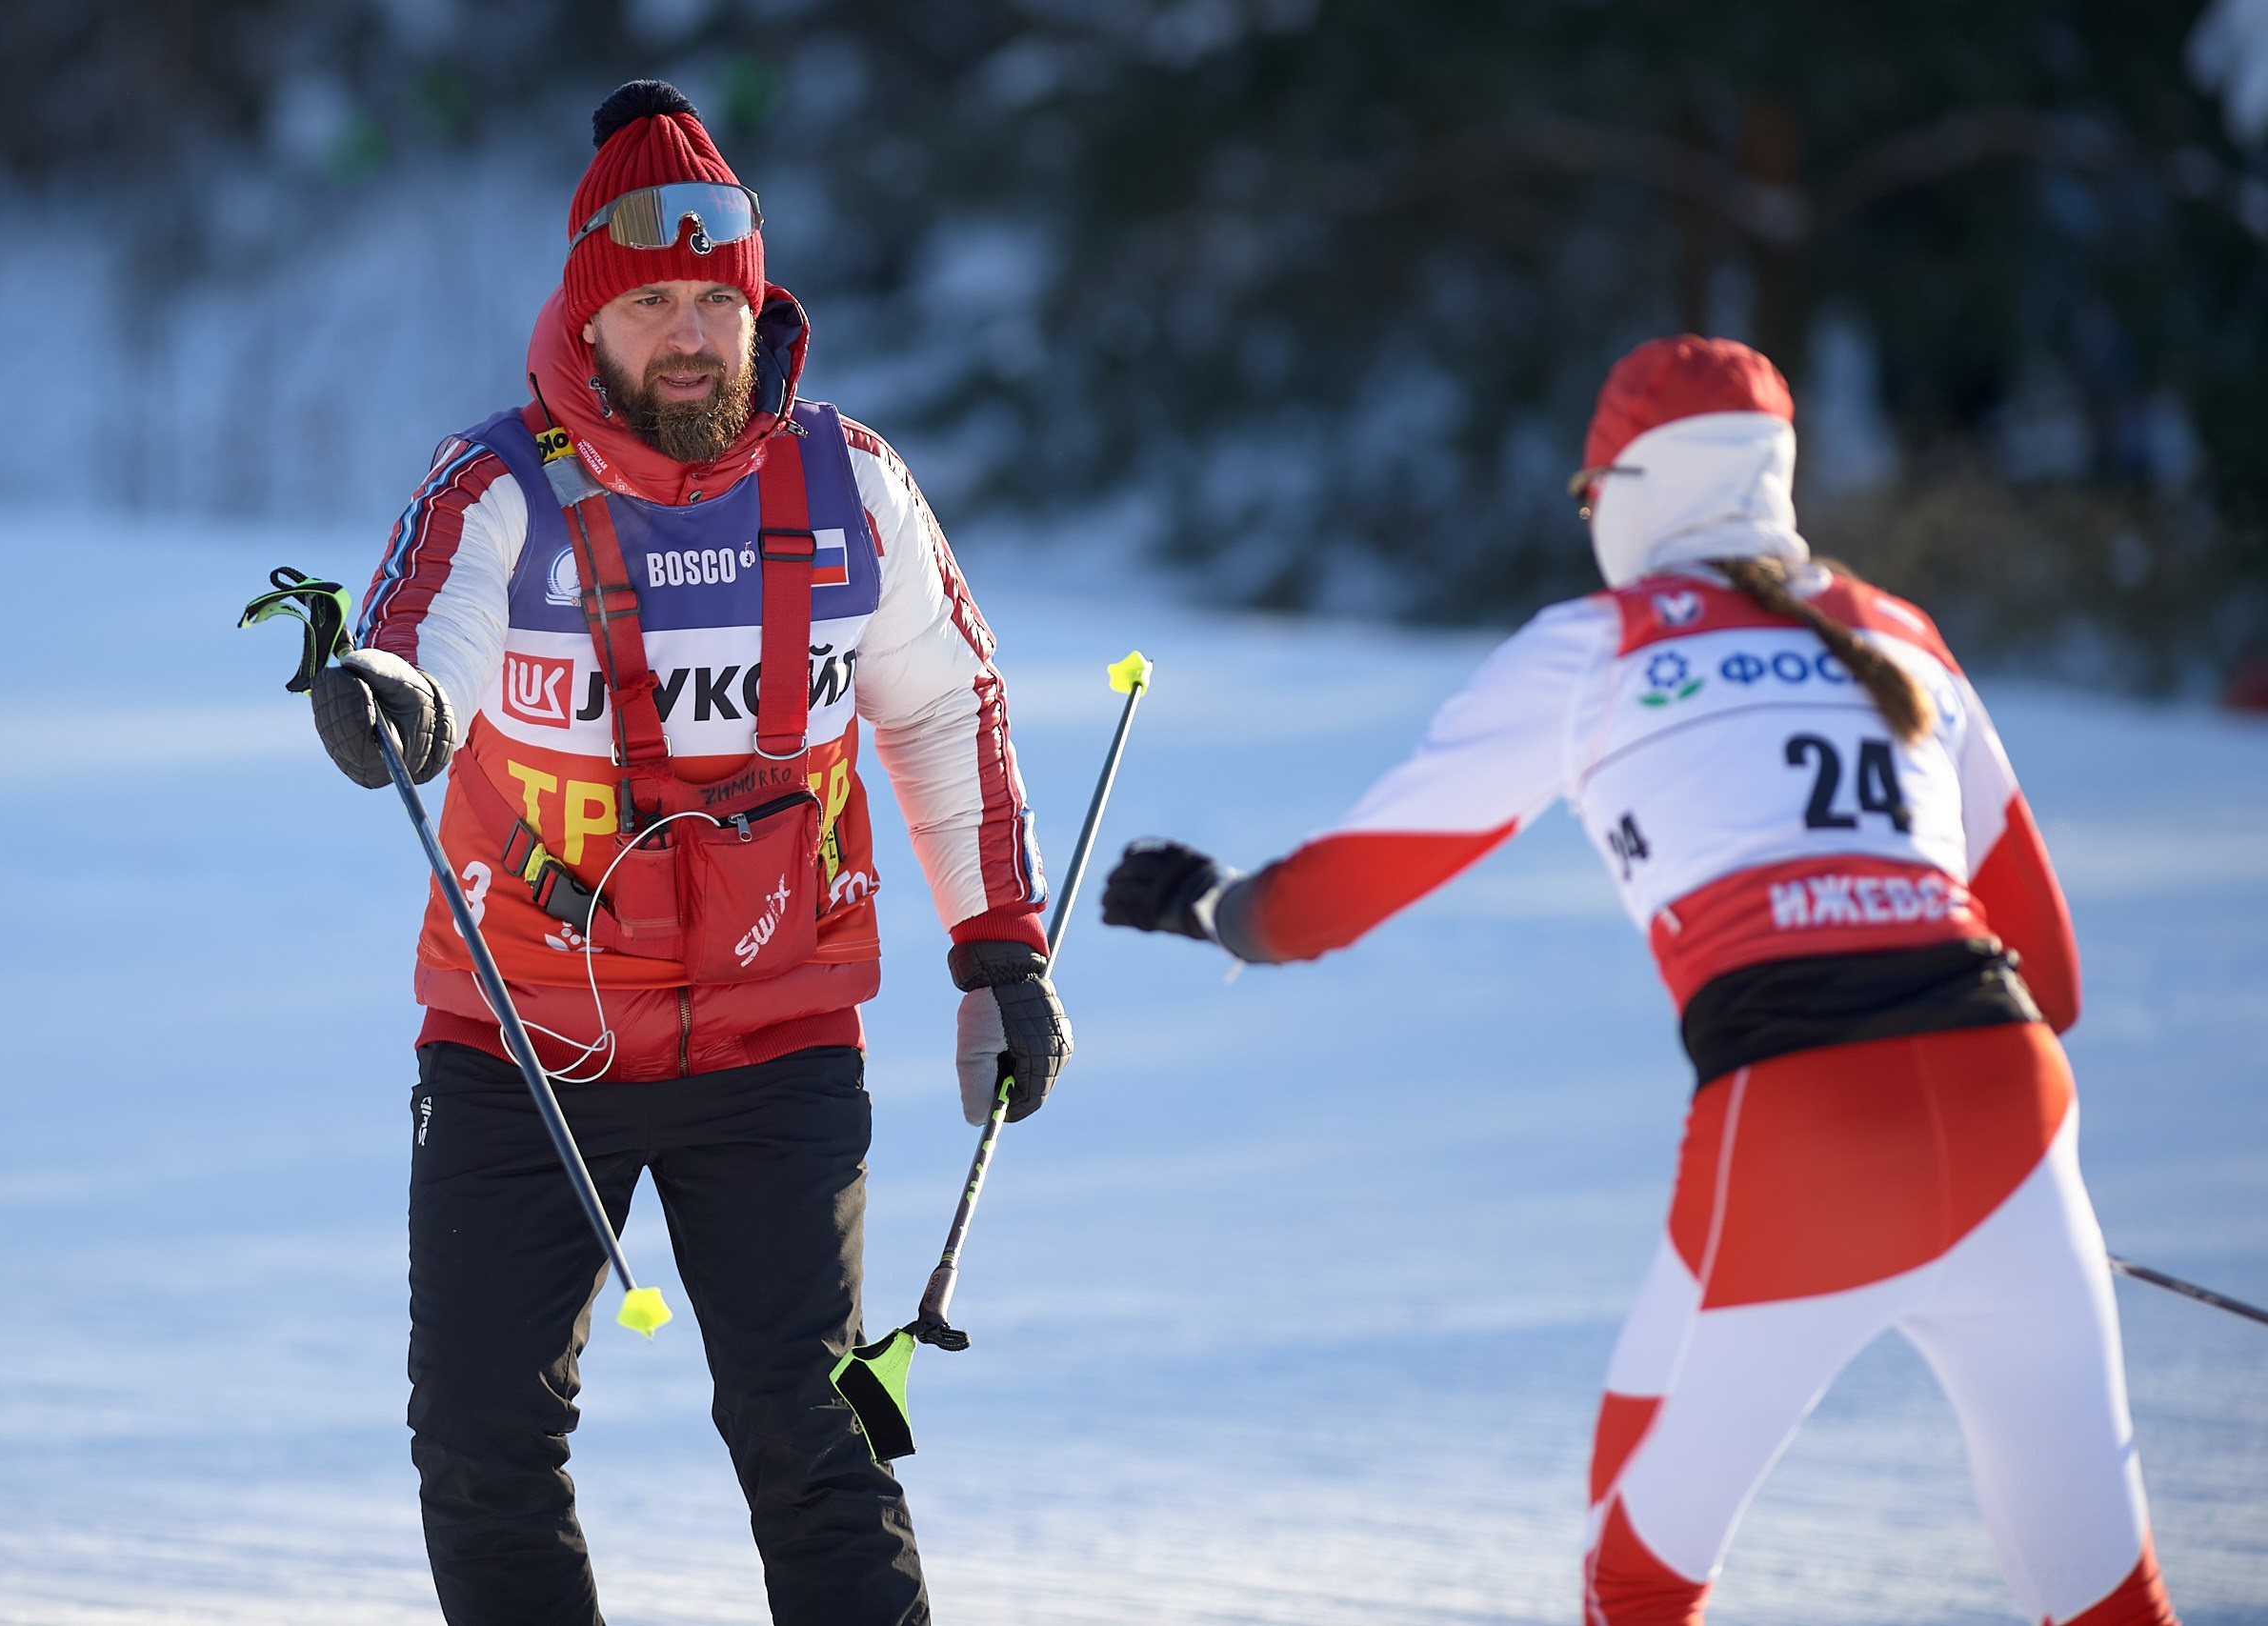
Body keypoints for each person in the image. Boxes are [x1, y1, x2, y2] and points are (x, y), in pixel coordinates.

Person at [1101, 336, 2176, 1626]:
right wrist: (1992, 1203)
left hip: (1798, 1124)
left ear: (1628, 490)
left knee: (1640, 1578)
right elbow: (2047, 969)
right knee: (2110, 1603)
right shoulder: (1900, 636)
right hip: (2012, 1122)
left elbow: (1341, 894)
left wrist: (1215, 906)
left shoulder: (1596, 648)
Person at [307, 79, 1070, 1626]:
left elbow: (946, 711)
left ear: (755, 305)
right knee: (480, 1439)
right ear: (586, 321)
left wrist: (999, 956)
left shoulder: (851, 486)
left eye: (713, 301)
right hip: (527, 1040)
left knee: (818, 1438)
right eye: (648, 301)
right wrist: (392, 696)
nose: (687, 336)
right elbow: (424, 641)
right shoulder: (496, 486)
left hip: (777, 1037)